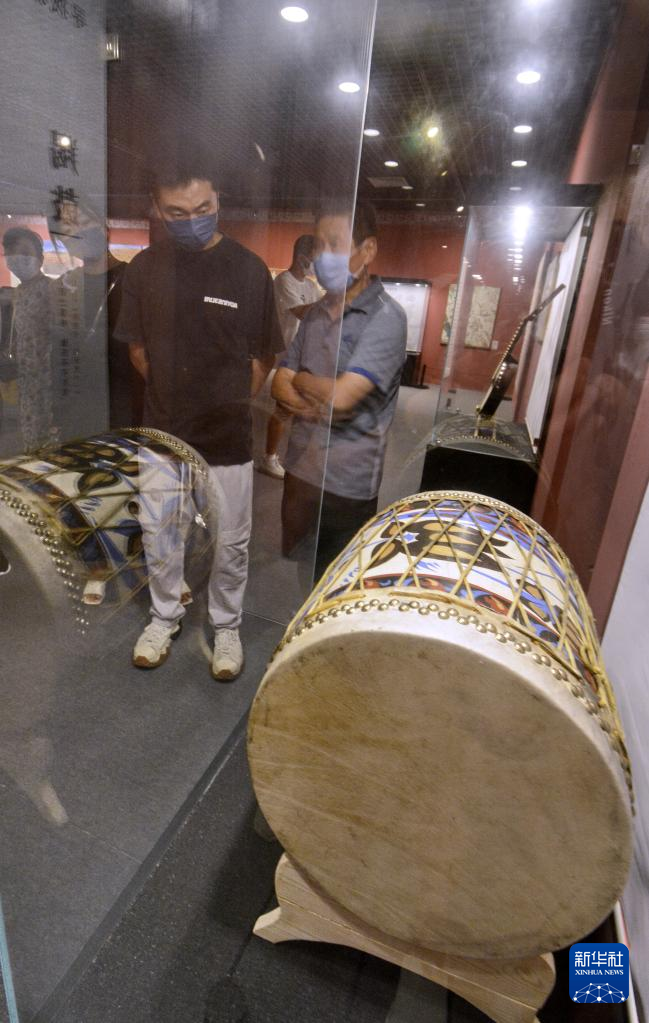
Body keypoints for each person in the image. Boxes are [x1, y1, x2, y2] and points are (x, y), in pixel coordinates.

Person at [115, 159, 282, 678]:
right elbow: (137, 349)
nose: (192, 219)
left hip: (228, 437)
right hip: (162, 435)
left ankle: (226, 624)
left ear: (218, 200)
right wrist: (176, 397)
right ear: (157, 209)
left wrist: (227, 400)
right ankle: (165, 616)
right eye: (177, 212)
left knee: (231, 541)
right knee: (161, 535)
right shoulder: (144, 269)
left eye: (203, 208)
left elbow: (265, 354)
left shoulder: (249, 270)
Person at [273, 201, 407, 583]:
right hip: (301, 471)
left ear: (368, 249)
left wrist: (303, 381)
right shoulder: (316, 313)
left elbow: (343, 398)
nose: (323, 255)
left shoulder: (386, 318)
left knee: (336, 582)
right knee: (301, 574)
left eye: (336, 244)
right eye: (319, 244)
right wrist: (315, 398)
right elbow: (280, 382)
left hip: (347, 484)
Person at [257, 235, 321, 479]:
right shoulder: (285, 281)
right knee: (283, 408)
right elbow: (303, 313)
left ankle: (296, 457)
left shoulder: (311, 287)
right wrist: (332, 298)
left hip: (306, 355)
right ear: (302, 257)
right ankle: (269, 457)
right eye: (315, 257)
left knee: (303, 409)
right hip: (286, 356)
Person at [2, 227, 56, 451]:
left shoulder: (51, 289)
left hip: (48, 379)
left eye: (25, 252)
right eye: (12, 252)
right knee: (30, 433)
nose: (18, 258)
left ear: (40, 259)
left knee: (50, 436)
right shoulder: (17, 293)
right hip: (24, 378)